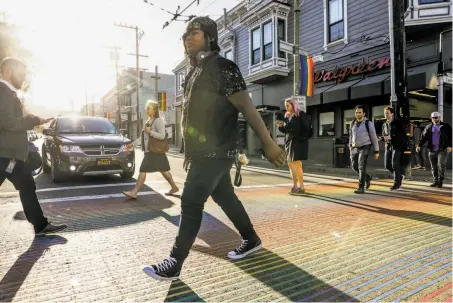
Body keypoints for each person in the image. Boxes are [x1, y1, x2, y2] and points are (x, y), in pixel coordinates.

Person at [143, 16, 285, 281]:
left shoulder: (222, 67)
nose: (187, 38)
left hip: (216, 150)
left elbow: (247, 107)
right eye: (185, 34)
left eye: (194, 33)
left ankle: (174, 262)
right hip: (203, 152)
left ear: (209, 37)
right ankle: (251, 239)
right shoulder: (194, 72)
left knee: (191, 201)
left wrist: (268, 143)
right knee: (225, 197)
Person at [0, 57, 67, 236]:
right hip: (5, 155)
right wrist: (33, 120)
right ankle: (40, 225)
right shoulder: (3, 91)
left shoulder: (8, 92)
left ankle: (40, 225)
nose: (24, 78)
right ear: (8, 71)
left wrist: (36, 120)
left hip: (11, 155)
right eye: (21, 74)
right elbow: (8, 122)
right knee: (27, 186)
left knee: (27, 185)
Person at [122, 101, 179, 198]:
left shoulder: (158, 121)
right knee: (164, 170)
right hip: (152, 151)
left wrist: (150, 132)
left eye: (149, 108)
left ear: (154, 110)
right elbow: (143, 138)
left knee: (143, 170)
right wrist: (131, 145)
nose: (146, 110)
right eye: (146, 108)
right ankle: (174, 187)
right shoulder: (149, 121)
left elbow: (162, 136)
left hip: (154, 151)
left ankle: (134, 192)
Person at [276, 98, 310, 195]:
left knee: (295, 164)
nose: (286, 107)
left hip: (297, 142)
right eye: (285, 105)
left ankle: (299, 186)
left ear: (293, 105)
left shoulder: (300, 114)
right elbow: (287, 130)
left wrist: (301, 138)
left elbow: (305, 128)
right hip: (289, 142)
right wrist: (280, 126)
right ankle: (296, 186)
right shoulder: (288, 115)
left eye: (288, 105)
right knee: (291, 164)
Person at [348, 105, 379, 194]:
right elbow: (351, 135)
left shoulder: (368, 123)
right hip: (354, 147)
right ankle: (367, 177)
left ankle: (361, 187)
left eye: (360, 112)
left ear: (364, 113)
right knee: (354, 166)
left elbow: (374, 137)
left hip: (365, 146)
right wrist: (350, 146)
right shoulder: (352, 123)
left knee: (361, 166)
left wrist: (376, 151)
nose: (358, 114)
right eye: (356, 112)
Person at [417, 112, 452, 188]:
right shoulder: (429, 127)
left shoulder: (446, 126)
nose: (434, 119)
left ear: (439, 118)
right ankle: (435, 181)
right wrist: (419, 145)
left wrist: (450, 146)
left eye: (436, 118)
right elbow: (423, 137)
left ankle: (440, 181)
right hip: (432, 149)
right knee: (434, 167)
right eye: (433, 118)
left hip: (442, 149)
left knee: (441, 165)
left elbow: (451, 136)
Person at [382, 106, 408, 190]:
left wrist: (392, 137)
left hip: (397, 146)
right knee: (387, 165)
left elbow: (402, 135)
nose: (386, 115)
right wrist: (382, 138)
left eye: (387, 113)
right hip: (388, 146)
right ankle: (399, 175)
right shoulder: (384, 124)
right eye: (385, 113)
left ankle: (397, 183)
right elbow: (384, 135)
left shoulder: (397, 123)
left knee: (395, 164)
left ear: (392, 114)